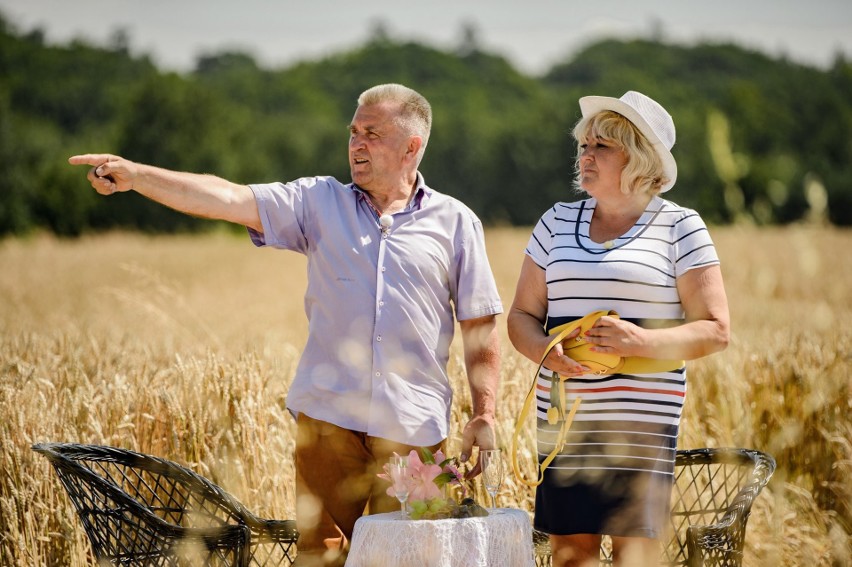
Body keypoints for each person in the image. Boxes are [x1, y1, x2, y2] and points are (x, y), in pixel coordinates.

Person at [70, 83, 503, 567]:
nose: (356, 144)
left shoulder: (456, 222)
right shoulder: (319, 201)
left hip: (414, 430)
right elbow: (228, 198)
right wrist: (138, 175)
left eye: (372, 134)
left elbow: (480, 326)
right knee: (321, 556)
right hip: (326, 424)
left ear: (411, 147)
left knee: (410, 558)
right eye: (353, 132)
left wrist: (484, 412)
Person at [507, 91, 729, 567]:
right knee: (572, 558)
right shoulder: (556, 222)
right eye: (583, 146)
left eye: (600, 146)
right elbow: (521, 317)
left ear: (640, 156)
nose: (584, 156)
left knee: (636, 559)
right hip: (565, 426)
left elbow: (715, 329)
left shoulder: (679, 226)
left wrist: (641, 341)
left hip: (640, 428)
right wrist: (547, 351)